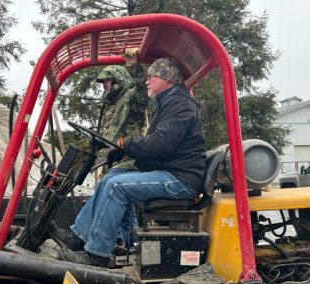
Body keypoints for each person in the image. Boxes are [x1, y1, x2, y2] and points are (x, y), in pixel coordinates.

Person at [55, 57, 206, 267]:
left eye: (152, 77)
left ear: (168, 79)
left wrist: (126, 145)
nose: (147, 81)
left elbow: (162, 143)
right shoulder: (168, 102)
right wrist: (121, 150)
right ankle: (79, 237)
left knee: (116, 187)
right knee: (113, 177)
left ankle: (97, 254)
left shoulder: (179, 104)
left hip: (181, 180)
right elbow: (160, 146)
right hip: (171, 171)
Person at [95, 48, 148, 248]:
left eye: (107, 81)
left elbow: (143, 91)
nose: (104, 87)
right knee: (125, 207)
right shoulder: (113, 105)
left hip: (130, 160)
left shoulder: (131, 98)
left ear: (117, 79)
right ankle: (128, 242)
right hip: (115, 160)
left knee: (106, 188)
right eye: (103, 83)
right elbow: (111, 136)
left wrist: (133, 65)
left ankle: (103, 240)